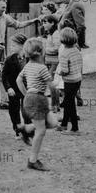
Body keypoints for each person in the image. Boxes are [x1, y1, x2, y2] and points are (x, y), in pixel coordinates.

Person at [0, 0, 40, 109]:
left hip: (0, 48)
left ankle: (4, 101)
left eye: (5, 7)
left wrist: (33, 20)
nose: (4, 10)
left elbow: (18, 24)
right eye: (2, 7)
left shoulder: (4, 17)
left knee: (2, 73)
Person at [16, 38, 60, 171]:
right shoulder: (42, 68)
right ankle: (32, 160)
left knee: (53, 123)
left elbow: (19, 80)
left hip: (33, 98)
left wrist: (26, 94)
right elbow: (52, 87)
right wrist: (55, 103)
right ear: (41, 53)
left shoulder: (27, 66)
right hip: (37, 99)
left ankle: (27, 129)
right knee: (41, 131)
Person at [1, 33, 33, 141]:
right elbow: (4, 76)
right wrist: (8, 88)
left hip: (27, 89)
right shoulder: (9, 59)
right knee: (14, 110)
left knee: (27, 110)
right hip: (14, 90)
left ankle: (28, 129)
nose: (11, 47)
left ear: (22, 45)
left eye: (13, 45)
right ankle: (17, 129)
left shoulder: (30, 58)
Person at [56, 27, 83, 134]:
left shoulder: (64, 53)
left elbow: (65, 70)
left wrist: (59, 72)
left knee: (70, 104)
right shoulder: (76, 50)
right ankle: (64, 124)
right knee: (68, 102)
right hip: (77, 80)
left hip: (69, 81)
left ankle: (75, 128)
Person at [41, 15, 62, 112]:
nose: (43, 25)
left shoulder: (56, 34)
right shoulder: (50, 34)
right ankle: (55, 105)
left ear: (52, 23)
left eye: (45, 22)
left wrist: (45, 50)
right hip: (49, 61)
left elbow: (57, 48)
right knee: (51, 84)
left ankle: (55, 105)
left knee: (52, 84)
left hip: (55, 62)